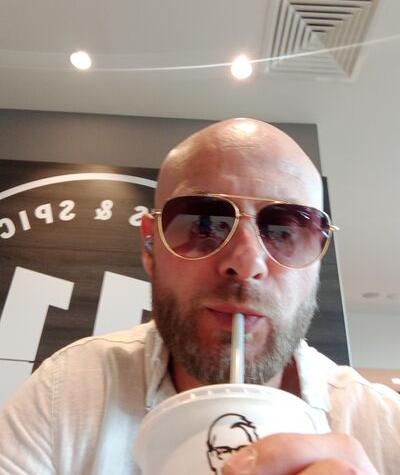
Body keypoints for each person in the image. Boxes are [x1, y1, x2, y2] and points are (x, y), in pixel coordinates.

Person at [0, 118, 399, 475]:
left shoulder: (384, 429)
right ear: (150, 245)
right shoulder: (66, 394)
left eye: (283, 231)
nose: (246, 263)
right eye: (204, 224)